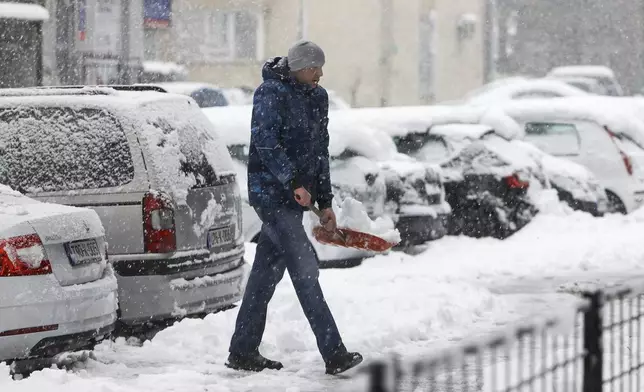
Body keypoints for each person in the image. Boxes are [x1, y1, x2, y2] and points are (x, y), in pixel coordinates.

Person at [226, 41, 363, 375]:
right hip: (271, 195)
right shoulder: (270, 93)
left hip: (298, 197)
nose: (320, 74)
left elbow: (320, 152)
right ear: (300, 66)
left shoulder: (317, 97)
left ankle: (242, 350)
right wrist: (291, 181)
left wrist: (326, 201)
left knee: (264, 277)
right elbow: (265, 142)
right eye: (315, 67)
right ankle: (334, 353)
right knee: (305, 272)